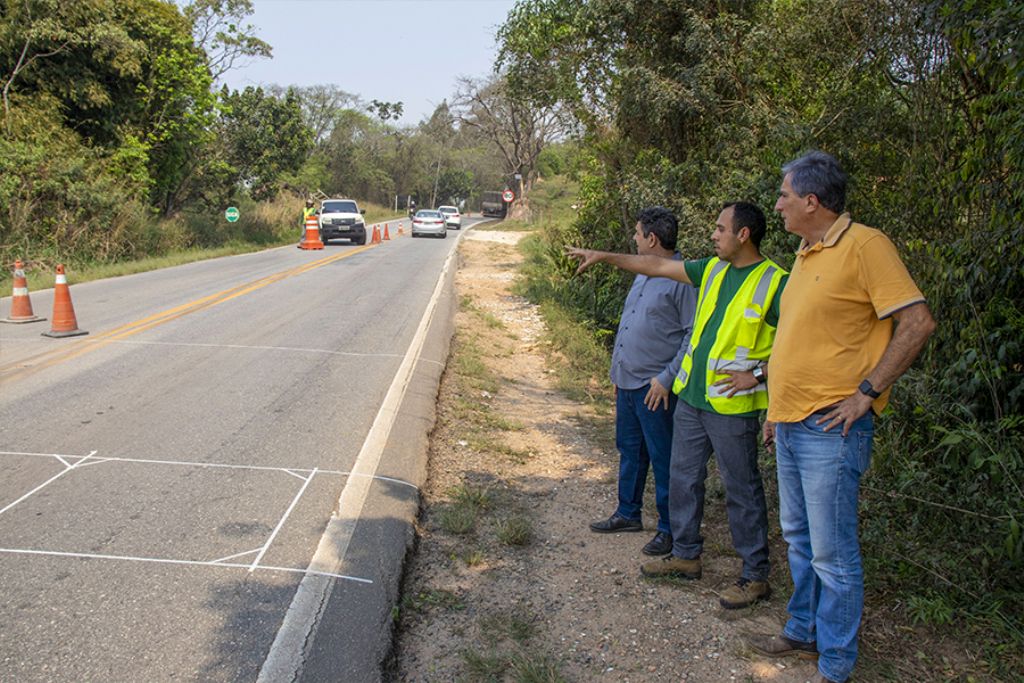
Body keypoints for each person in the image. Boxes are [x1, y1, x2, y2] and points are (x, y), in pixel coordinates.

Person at [747, 151, 935, 683]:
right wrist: (775, 409)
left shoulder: (866, 245)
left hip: (832, 427)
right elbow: (799, 340)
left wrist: (867, 393)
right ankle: (803, 631)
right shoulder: (807, 252)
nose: (778, 205)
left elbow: (917, 323)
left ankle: (834, 664)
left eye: (784, 195)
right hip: (790, 421)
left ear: (811, 201)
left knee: (832, 552)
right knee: (800, 539)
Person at [569, 202, 787, 609]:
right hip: (691, 396)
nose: (712, 235)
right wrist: (604, 257)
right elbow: (655, 268)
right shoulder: (713, 269)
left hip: (732, 405)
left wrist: (758, 377)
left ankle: (754, 575)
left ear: (743, 235)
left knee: (742, 490)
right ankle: (686, 554)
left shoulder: (775, 281)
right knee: (683, 478)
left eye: (720, 229)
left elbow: (799, 341)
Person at [588, 206, 697, 557]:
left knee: (664, 459)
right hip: (628, 382)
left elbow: (692, 335)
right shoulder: (642, 272)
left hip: (656, 389)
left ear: (652, 239)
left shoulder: (682, 279)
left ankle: (668, 530)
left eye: (637, 233)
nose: (633, 238)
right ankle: (628, 512)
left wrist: (666, 379)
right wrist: (617, 372)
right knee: (630, 451)